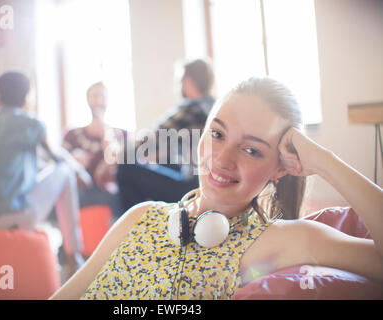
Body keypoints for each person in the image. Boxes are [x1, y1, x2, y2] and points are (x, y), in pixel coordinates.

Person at [50, 77, 383, 300]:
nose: (222, 159)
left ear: (280, 168)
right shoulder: (142, 217)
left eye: (251, 150)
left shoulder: (284, 240)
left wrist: (324, 161)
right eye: (217, 134)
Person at [0, 71, 85, 274]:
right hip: (8, 219)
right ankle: (74, 256)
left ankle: (73, 256)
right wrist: (82, 173)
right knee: (65, 171)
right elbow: (57, 157)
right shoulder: (32, 123)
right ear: (26, 95)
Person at [116, 58, 216, 212]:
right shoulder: (216, 107)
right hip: (213, 184)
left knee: (126, 165)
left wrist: (115, 157)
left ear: (188, 82)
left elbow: (143, 143)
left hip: (192, 189)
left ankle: (135, 228)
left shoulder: (189, 110)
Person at [62, 82, 127, 220]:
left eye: (102, 96)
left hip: (110, 191)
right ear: (87, 99)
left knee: (119, 194)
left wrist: (107, 139)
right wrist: (74, 163)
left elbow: (126, 167)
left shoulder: (120, 134)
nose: (98, 100)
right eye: (94, 96)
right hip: (80, 191)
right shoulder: (72, 135)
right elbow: (60, 162)